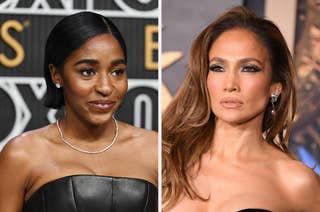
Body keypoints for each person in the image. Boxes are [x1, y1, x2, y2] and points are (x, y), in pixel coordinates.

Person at [162, 6, 320, 212]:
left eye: (249, 68)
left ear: (275, 86)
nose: (230, 84)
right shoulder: (168, 161)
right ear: (205, 78)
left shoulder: (296, 182)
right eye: (218, 68)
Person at [0, 11, 157, 212]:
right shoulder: (22, 155)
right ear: (56, 74)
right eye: (87, 72)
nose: (106, 87)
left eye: (117, 72)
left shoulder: (154, 150)